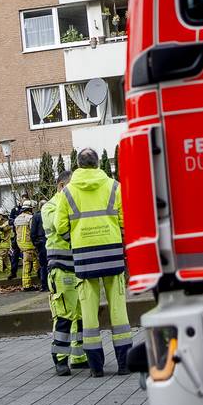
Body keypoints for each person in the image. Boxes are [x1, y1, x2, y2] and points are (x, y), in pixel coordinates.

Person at [55, 148, 131, 377]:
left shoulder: (68, 192)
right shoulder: (114, 187)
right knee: (118, 311)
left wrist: (75, 242)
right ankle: (124, 364)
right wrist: (118, 239)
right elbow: (125, 220)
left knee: (88, 314)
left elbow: (60, 226)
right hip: (112, 254)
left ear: (78, 164)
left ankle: (96, 368)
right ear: (98, 163)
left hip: (84, 257)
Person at [44, 170, 87, 376]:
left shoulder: (73, 203)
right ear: (61, 186)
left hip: (78, 267)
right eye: (71, 187)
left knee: (80, 315)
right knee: (64, 316)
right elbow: (59, 224)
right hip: (61, 268)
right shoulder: (50, 206)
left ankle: (79, 356)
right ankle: (60, 359)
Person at [14, 202, 39, 290]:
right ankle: (27, 285)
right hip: (29, 244)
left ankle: (40, 276)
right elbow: (33, 231)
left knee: (35, 260)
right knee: (28, 264)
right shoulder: (30, 218)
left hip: (21, 244)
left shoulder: (17, 218)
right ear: (29, 209)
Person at [30, 206, 48, 292]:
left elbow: (33, 231)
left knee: (43, 265)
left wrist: (35, 243)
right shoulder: (51, 213)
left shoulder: (36, 216)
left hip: (41, 242)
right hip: (51, 239)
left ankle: (44, 285)